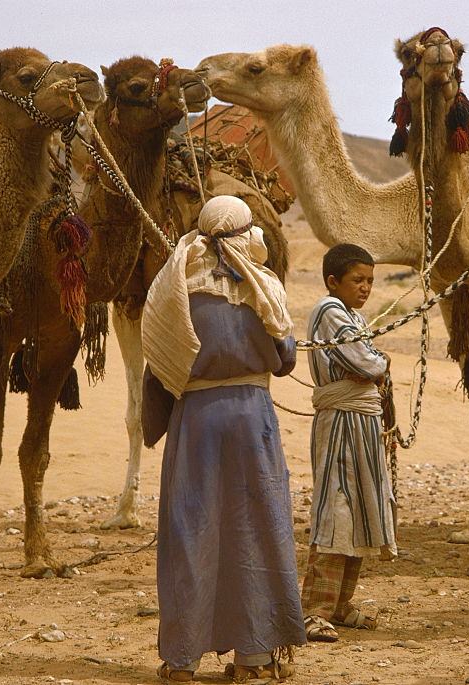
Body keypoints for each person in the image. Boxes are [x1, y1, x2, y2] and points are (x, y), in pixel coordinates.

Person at [142, 195, 305, 682]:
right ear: (248, 233)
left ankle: (182, 662)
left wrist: (157, 421)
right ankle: (253, 659)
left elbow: (160, 366)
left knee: (191, 533)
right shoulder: (265, 288)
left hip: (196, 423)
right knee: (257, 526)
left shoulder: (176, 290)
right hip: (252, 422)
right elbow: (287, 356)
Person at [300, 243, 396, 643]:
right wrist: (379, 364)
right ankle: (313, 612)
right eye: (358, 280)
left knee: (358, 509)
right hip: (341, 420)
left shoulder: (353, 316)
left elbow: (368, 360)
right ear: (332, 281)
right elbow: (365, 361)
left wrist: (375, 365)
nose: (366, 288)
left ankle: (339, 607)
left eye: (371, 281)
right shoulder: (329, 311)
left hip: (362, 421)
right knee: (336, 510)